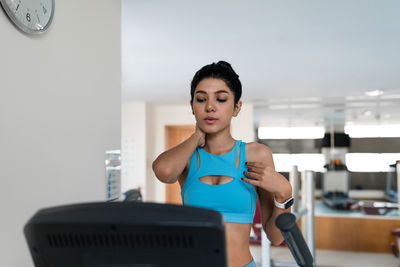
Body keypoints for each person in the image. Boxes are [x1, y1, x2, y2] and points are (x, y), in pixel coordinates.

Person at [152, 61, 293, 267]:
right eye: (201, 99)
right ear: (192, 106)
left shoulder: (256, 154)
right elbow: (164, 171)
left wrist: (284, 193)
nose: (210, 106)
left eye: (221, 99)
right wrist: (196, 137)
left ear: (236, 107)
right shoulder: (187, 156)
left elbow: (275, 236)